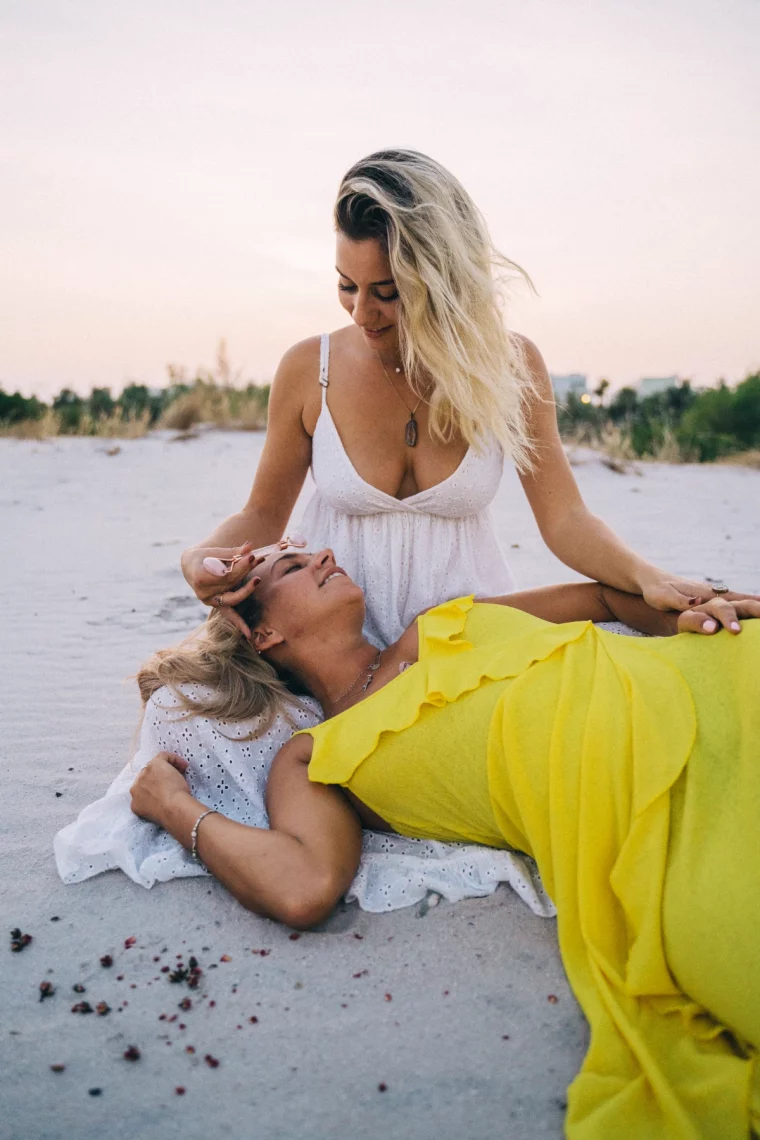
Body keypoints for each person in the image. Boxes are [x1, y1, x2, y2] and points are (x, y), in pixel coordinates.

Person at [131, 548, 760, 1140]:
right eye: (294, 565)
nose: (325, 556)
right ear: (262, 634)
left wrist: (702, 607)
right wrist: (172, 804)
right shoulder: (315, 757)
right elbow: (303, 887)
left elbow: (603, 597)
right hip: (645, 804)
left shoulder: (443, 621)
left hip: (720, 675)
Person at [179, 148, 740, 648]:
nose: (360, 312)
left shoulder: (510, 366)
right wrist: (196, 558)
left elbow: (565, 517)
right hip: (334, 653)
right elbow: (262, 513)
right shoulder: (310, 368)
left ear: (442, 282)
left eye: (388, 292)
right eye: (347, 285)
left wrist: (647, 577)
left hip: (466, 642)